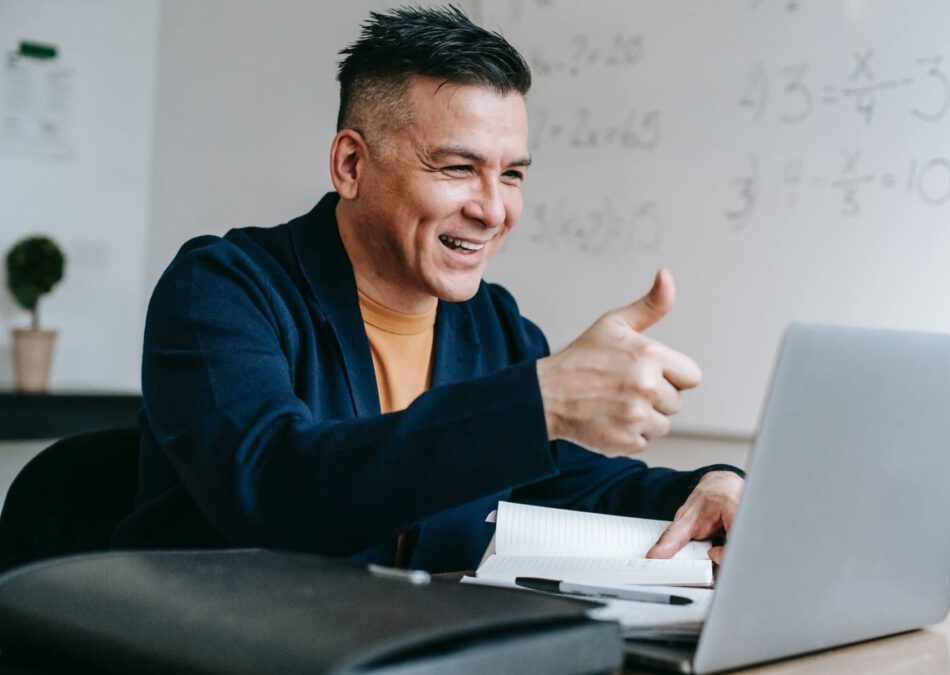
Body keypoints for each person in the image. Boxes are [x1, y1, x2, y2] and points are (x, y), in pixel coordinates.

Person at [112, 6, 745, 573]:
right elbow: (270, 489)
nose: (494, 211)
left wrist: (706, 486)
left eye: (513, 174)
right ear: (351, 165)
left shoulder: (494, 324)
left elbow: (559, 480)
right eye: (458, 168)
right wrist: (539, 400)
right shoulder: (222, 288)